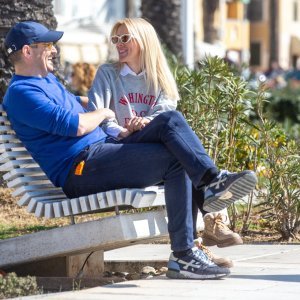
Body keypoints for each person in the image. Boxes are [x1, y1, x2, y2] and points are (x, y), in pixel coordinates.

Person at [3, 21, 257, 280]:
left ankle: (212, 181)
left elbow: (75, 103)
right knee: (176, 159)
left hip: (103, 151)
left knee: (170, 121)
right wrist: (104, 111)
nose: (53, 50)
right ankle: (184, 254)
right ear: (27, 51)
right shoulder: (22, 93)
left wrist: (92, 103)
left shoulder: (47, 81)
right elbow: (76, 125)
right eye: (47, 45)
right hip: (80, 168)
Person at [87, 18, 244, 266]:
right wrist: (122, 131)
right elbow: (99, 114)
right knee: (173, 123)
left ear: (143, 40)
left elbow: (162, 110)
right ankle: (212, 188)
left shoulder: (159, 76)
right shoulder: (108, 73)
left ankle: (192, 247)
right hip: (121, 150)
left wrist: (145, 123)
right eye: (115, 39)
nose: (119, 44)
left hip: (152, 145)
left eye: (125, 38)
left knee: (179, 149)